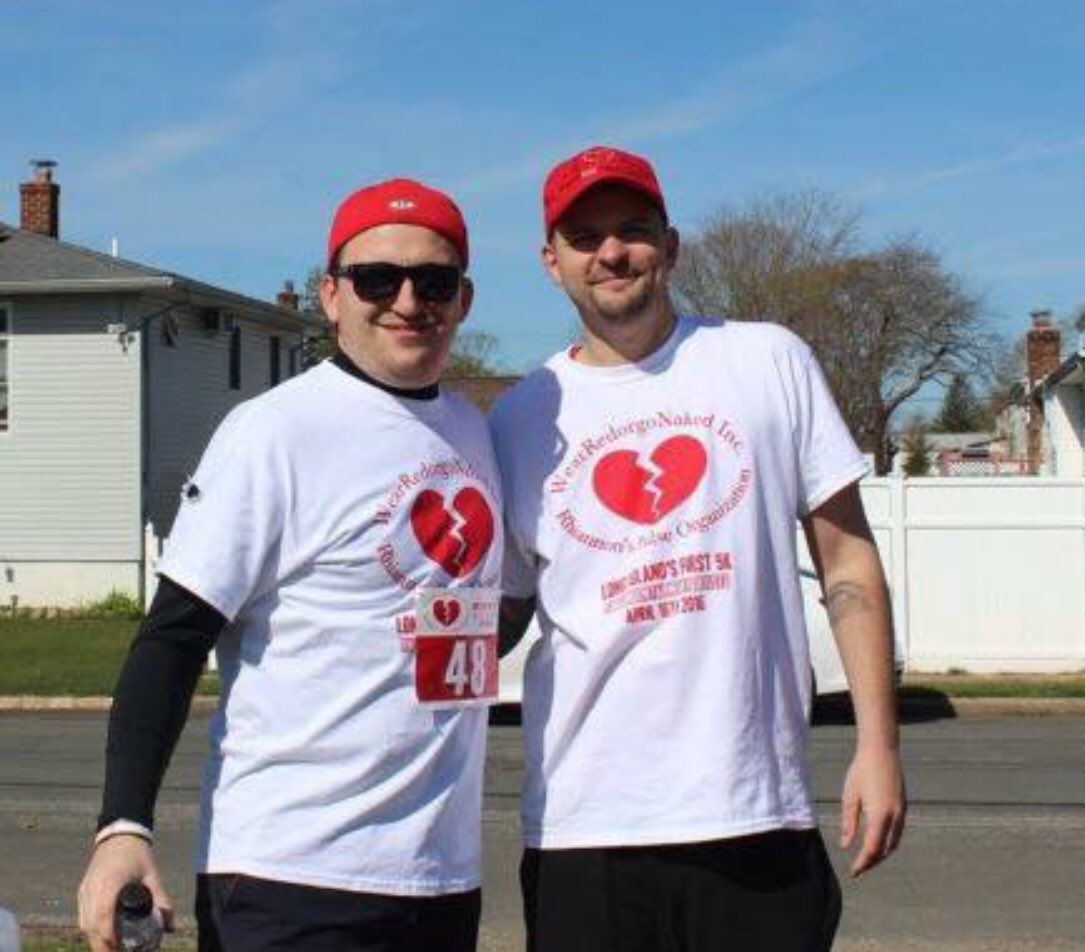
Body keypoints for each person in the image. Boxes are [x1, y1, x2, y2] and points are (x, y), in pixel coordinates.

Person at [489, 146, 907, 952]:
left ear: (670, 245)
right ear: (550, 262)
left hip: (754, 815)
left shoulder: (765, 359)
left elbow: (848, 566)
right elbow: (496, 612)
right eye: (584, 238)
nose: (611, 253)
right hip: (584, 827)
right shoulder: (518, 418)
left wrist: (877, 746)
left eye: (632, 230)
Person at [78, 178, 504, 952]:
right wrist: (122, 826)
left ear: (464, 299)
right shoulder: (274, 432)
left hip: (440, 879)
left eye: (433, 281)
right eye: (378, 279)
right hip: (291, 878)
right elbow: (172, 638)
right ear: (331, 296)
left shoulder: (474, 435)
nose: (408, 301)